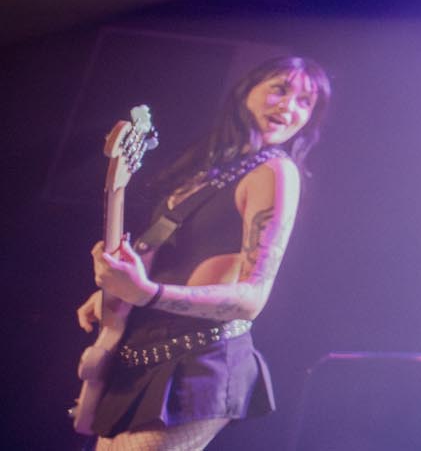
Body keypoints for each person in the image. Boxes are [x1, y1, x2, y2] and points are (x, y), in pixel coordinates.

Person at [80, 56, 331, 451]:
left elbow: (252, 299)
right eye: (280, 89)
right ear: (246, 90)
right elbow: (164, 254)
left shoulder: (276, 172)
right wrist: (116, 292)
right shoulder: (210, 169)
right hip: (141, 357)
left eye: (305, 102)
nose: (289, 107)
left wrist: (147, 293)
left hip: (197, 365)